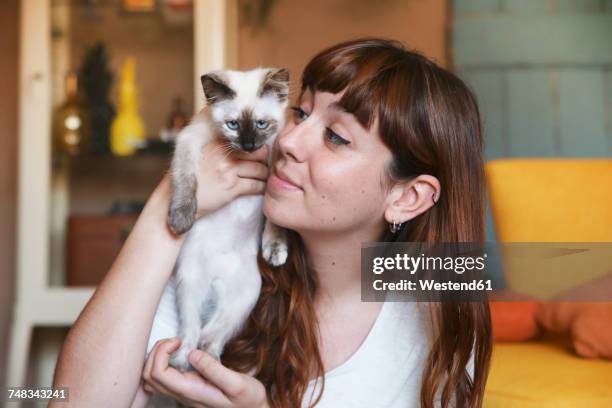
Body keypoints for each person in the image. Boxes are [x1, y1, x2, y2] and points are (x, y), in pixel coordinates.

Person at [52, 38, 492, 408]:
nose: (289, 141)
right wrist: (166, 207)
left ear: (407, 196)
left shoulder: (442, 309)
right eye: (300, 113)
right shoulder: (226, 248)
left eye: (336, 136)